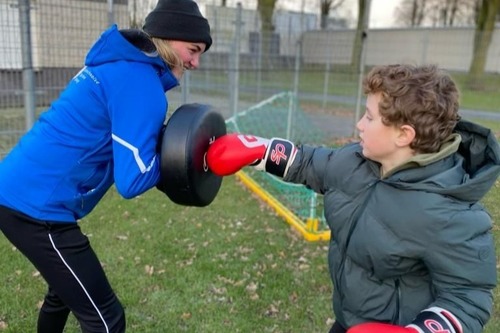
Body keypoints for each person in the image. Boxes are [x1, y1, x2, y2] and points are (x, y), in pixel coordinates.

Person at [206, 64, 500, 333]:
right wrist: (260, 150)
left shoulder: (449, 212)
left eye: (370, 117)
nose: (359, 124)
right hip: (348, 319)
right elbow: (309, 163)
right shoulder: (356, 161)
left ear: (404, 135)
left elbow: (468, 296)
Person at [0, 0, 211, 332]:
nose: (196, 62)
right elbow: (133, 179)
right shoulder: (140, 83)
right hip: (36, 209)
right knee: (106, 320)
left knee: (63, 294)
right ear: (169, 37)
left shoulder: (121, 65)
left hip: (19, 192)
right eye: (193, 49)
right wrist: (181, 164)